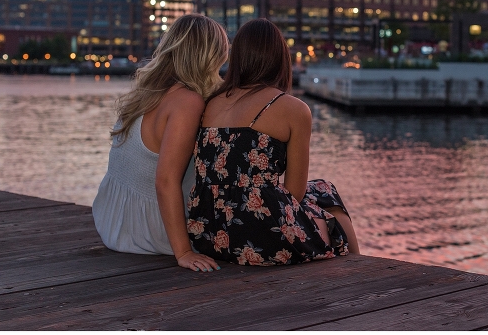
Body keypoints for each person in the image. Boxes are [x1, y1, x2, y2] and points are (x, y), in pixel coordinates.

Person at [187, 18, 360, 266]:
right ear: (280, 58)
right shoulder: (293, 109)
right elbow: (295, 192)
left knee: (320, 190)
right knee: (327, 195)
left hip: (209, 232)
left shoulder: (211, 101)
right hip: (263, 235)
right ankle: (359, 264)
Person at [92, 14, 228, 272]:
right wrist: (184, 252)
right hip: (147, 231)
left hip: (113, 221)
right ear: (211, 56)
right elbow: (165, 180)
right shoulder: (187, 101)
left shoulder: (147, 92)